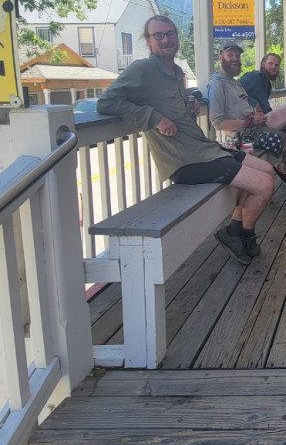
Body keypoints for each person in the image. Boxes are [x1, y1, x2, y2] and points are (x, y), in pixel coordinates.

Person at [97, 16, 274, 266]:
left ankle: (234, 231)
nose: (165, 39)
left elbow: (172, 108)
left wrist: (188, 107)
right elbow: (106, 102)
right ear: (148, 41)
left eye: (170, 34)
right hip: (186, 161)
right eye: (158, 35)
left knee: (267, 169)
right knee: (264, 185)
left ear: (177, 38)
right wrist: (154, 118)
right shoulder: (142, 70)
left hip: (205, 150)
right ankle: (243, 234)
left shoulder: (176, 72)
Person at [207, 42, 286, 215]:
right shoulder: (217, 83)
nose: (235, 58)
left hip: (258, 125)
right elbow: (218, 123)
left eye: (237, 55)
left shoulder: (233, 82)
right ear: (220, 57)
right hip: (248, 134)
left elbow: (247, 100)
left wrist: (255, 108)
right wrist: (250, 121)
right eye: (230, 55)